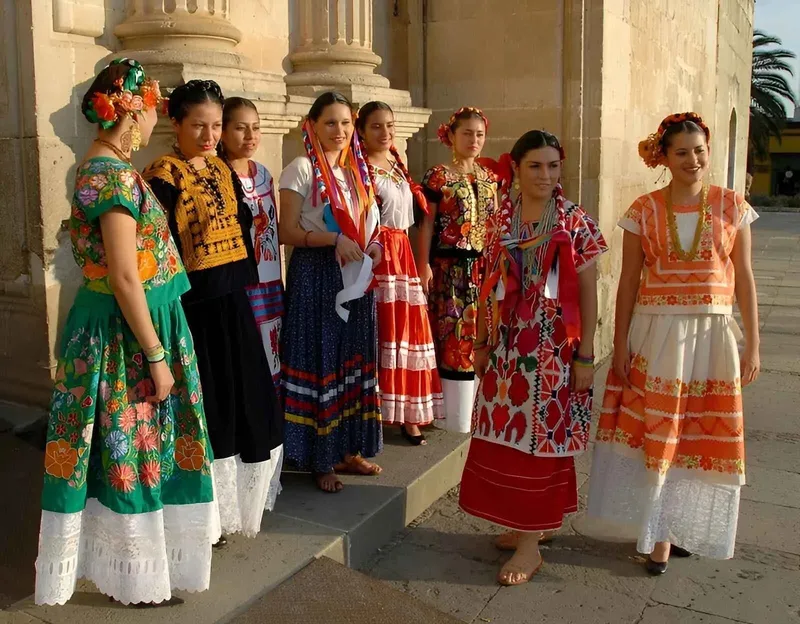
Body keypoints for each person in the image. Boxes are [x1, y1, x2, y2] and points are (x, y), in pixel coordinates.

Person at [34, 59, 219, 606]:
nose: (150, 123)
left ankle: (139, 568)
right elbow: (122, 275)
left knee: (132, 450)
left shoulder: (109, 169)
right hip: (126, 335)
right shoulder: (110, 177)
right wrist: (158, 356)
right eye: (146, 112)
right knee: (128, 450)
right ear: (128, 112)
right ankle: (133, 575)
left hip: (132, 327)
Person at [587, 113, 761, 573]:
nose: (693, 159)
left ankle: (677, 524)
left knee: (696, 435)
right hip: (657, 332)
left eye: (699, 150)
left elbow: (743, 278)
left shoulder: (732, 206)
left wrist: (753, 344)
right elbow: (627, 283)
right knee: (660, 431)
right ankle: (659, 532)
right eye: (681, 152)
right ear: (664, 157)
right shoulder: (643, 210)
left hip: (712, 335)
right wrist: (619, 345)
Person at [459, 131, 607, 586]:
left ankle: (529, 545)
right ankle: (520, 524)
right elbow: (486, 285)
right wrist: (482, 342)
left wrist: (586, 355)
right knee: (504, 435)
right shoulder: (502, 219)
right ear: (517, 170)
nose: (546, 175)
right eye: (535, 167)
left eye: (553, 166)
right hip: (507, 347)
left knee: (541, 439)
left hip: (553, 350)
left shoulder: (575, 222)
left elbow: (586, 290)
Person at [143, 80, 283, 541]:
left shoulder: (223, 171)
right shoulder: (163, 175)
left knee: (247, 400)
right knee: (210, 408)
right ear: (176, 124)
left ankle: (230, 513)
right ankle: (202, 519)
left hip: (235, 302)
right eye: (198, 125)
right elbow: (155, 253)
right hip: (194, 310)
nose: (208, 135)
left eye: (216, 125)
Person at [278, 91, 384, 493]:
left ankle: (348, 449)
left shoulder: (357, 170)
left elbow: (370, 224)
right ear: (313, 125)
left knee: (351, 359)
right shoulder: (301, 169)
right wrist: (332, 239)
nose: (338, 131)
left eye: (344, 123)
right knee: (322, 358)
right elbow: (287, 231)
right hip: (318, 273)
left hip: (354, 273)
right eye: (329, 123)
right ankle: (319, 459)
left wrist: (370, 245)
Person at [356, 101, 443, 445]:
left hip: (402, 252)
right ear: (361, 130)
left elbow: (416, 220)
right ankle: (376, 413)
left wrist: (422, 264)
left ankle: (409, 414)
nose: (386, 132)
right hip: (377, 253)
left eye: (389, 125)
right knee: (383, 332)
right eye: (376, 126)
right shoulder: (359, 167)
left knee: (410, 332)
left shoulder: (397, 161)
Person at [417, 107, 498, 433]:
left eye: (479, 134)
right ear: (451, 136)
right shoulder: (438, 177)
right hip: (449, 269)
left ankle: (477, 411)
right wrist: (422, 263)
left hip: (484, 271)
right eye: (467, 133)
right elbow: (425, 224)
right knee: (451, 336)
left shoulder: (491, 178)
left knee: (480, 334)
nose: (474, 140)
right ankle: (449, 414)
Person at [220, 97, 283, 392]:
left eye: (256, 128)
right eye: (241, 128)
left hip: (270, 278)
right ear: (222, 131)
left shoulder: (264, 174)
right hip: (240, 280)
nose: (250, 137)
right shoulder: (217, 175)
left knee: (274, 346)